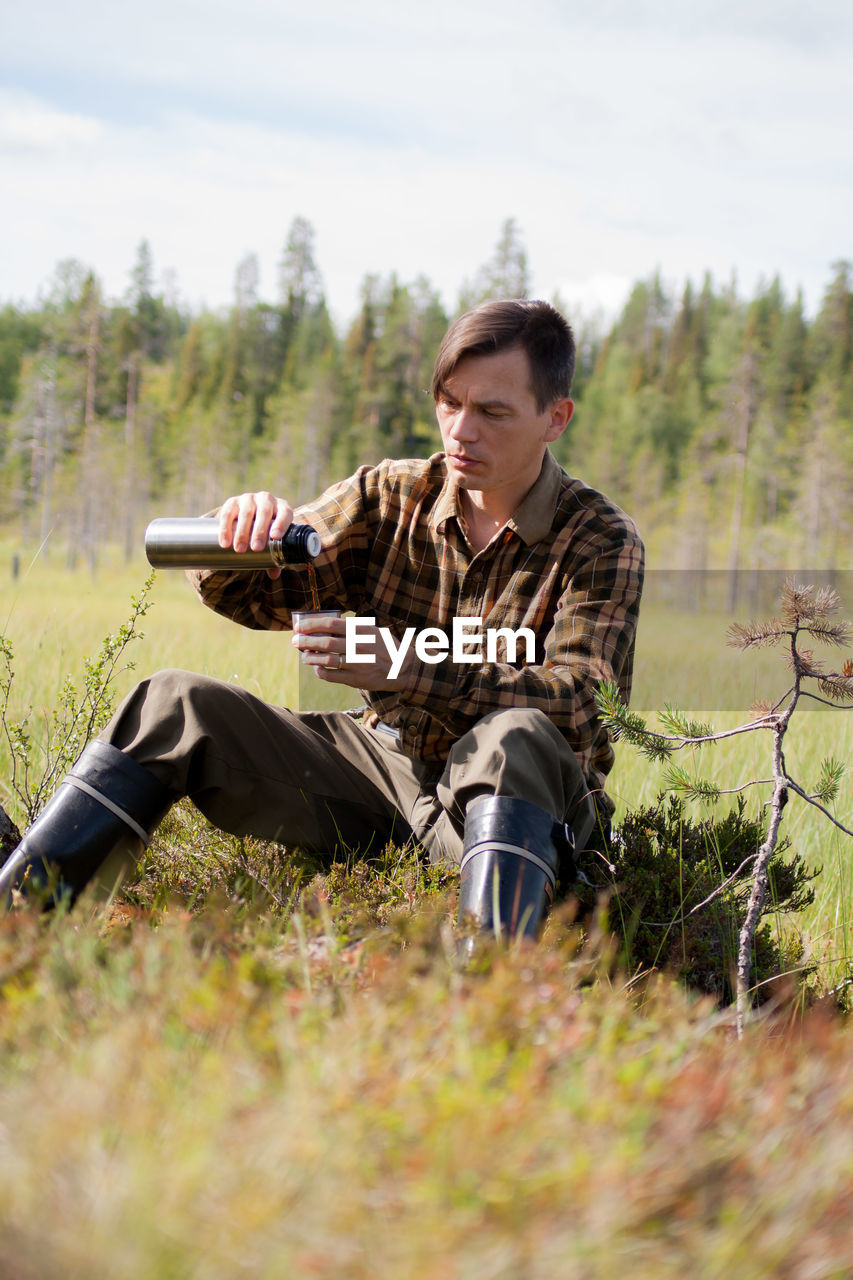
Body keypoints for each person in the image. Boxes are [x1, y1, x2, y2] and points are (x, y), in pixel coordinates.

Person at [0, 299, 644, 936]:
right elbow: (254, 599)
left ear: (555, 418)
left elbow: (584, 704)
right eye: (449, 401)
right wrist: (239, 535)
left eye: (492, 412)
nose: (460, 432)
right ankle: (16, 923)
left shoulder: (601, 538)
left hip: (516, 802)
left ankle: (490, 997)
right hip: (380, 772)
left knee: (515, 736)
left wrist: (408, 667)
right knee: (170, 703)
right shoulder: (388, 497)